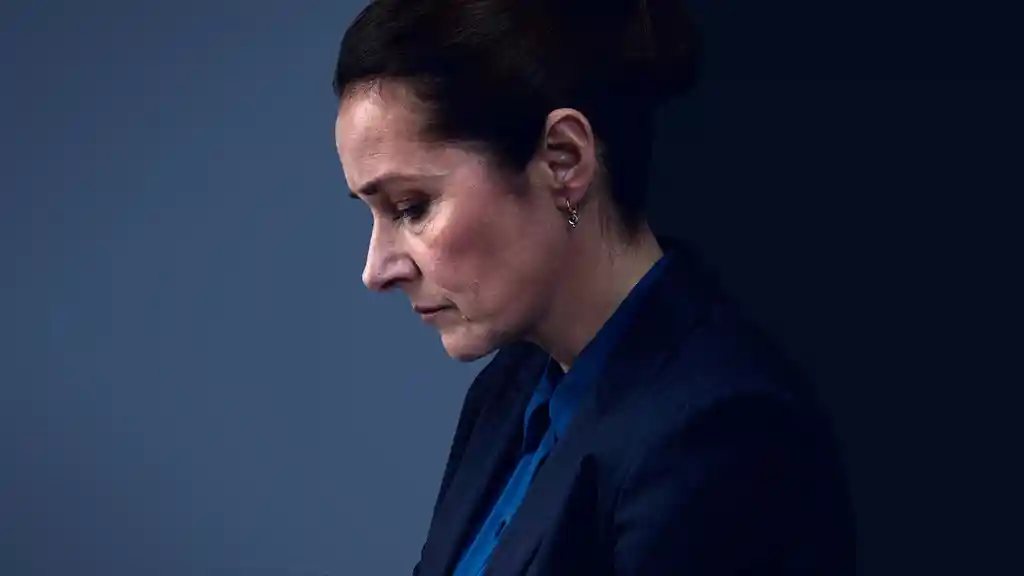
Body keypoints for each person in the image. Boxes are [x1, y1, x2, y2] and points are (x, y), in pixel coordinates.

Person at [331, 0, 856, 573]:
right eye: (372, 212)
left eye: (411, 206)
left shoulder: (722, 434)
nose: (376, 270)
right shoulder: (507, 394)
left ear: (564, 160)